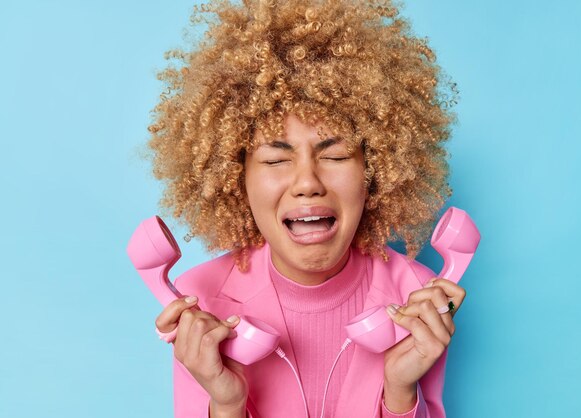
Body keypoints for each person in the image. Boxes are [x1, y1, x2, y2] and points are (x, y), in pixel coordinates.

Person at [146, 1, 466, 417]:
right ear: (234, 176)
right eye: (277, 159)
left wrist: (400, 395)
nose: (308, 183)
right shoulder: (201, 303)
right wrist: (226, 405)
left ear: (376, 170)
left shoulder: (419, 299)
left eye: (334, 155)